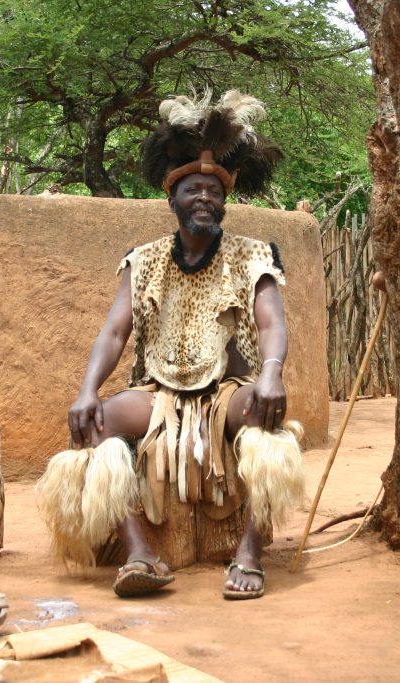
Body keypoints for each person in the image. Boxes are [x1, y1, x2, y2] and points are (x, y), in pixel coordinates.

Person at [35, 91, 304, 600]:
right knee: (97, 423)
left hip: (228, 388)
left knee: (265, 422)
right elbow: (114, 333)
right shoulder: (144, 260)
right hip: (157, 390)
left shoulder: (253, 256)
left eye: (213, 191)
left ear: (224, 201)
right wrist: (87, 388)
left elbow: (272, 325)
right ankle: (139, 553)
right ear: (172, 199)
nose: (204, 198)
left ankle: (250, 552)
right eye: (193, 190)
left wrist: (271, 373)